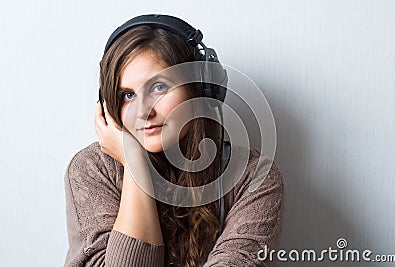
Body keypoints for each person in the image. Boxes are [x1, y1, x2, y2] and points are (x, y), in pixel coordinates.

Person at [64, 14, 285, 267]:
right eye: (127, 95)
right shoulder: (91, 169)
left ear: (200, 88)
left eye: (159, 87)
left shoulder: (254, 177)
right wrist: (136, 167)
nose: (143, 111)